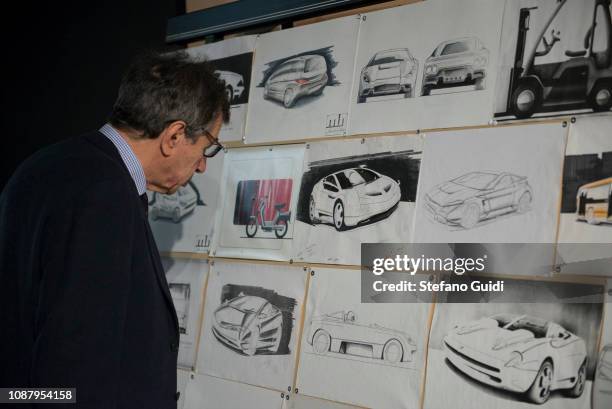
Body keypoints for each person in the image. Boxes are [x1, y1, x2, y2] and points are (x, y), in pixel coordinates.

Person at [0, 50, 229, 408]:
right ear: (174, 136)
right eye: (206, 148)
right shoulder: (104, 193)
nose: (201, 166)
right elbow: (73, 357)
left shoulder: (43, 165)